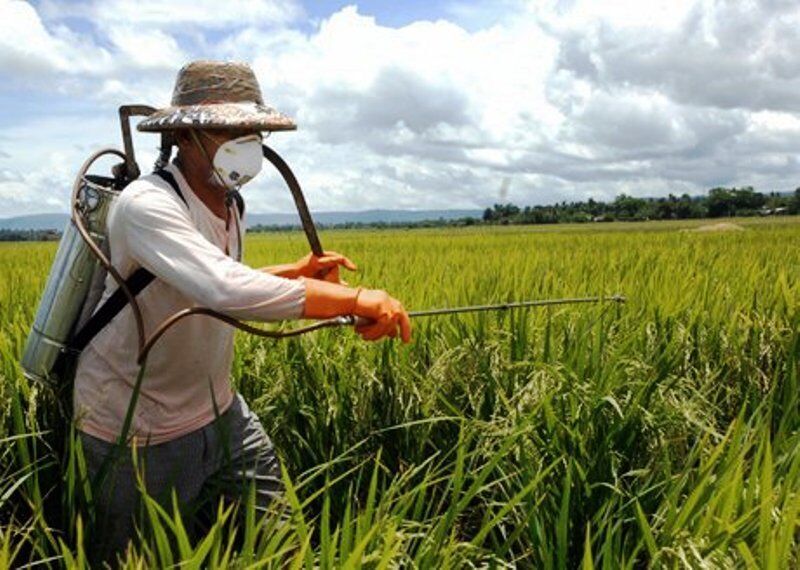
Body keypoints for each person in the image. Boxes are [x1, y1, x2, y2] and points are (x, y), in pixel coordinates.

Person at [73, 60, 411, 562]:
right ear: (185, 136)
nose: (246, 141)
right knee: (136, 560)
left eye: (251, 129)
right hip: (134, 427)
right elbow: (223, 287)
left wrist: (294, 274)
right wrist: (355, 300)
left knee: (278, 541)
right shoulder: (146, 205)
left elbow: (209, 281)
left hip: (219, 410)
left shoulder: (230, 203)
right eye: (228, 129)